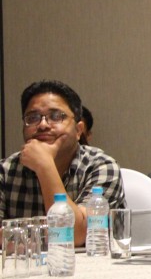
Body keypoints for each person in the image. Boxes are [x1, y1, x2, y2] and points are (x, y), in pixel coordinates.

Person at [0, 81, 124, 246]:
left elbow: (77, 236)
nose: (43, 125)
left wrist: (45, 166)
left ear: (78, 130)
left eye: (56, 116)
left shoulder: (102, 166)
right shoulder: (5, 171)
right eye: (33, 118)